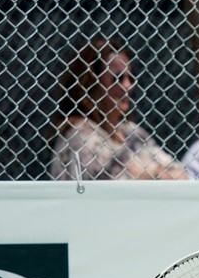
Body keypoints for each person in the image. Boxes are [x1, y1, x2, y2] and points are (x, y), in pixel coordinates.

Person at [50, 38, 189, 180]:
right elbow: (118, 181)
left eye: (130, 78)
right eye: (117, 78)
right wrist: (157, 173)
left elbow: (179, 173)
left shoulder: (131, 132)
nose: (128, 86)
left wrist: (149, 174)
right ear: (91, 83)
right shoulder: (80, 135)